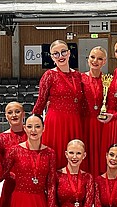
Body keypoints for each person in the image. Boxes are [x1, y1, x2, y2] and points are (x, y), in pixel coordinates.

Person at [32, 39, 83, 168]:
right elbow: (41, 101)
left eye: (63, 52)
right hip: (56, 122)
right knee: (57, 154)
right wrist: (33, 122)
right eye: (56, 53)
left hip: (74, 121)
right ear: (52, 57)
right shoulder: (49, 75)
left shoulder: (78, 76)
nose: (60, 56)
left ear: (69, 53)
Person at [52, 139, 95, 207]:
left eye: (78, 153)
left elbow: (88, 203)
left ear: (84, 155)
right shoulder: (57, 175)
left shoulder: (88, 177)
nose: (74, 157)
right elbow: (53, 202)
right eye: (71, 153)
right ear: (66, 154)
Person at [0, 102, 27, 207]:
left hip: (29, 184)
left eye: (17, 112)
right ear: (6, 116)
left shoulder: (31, 134)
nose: (14, 115)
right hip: (11, 185)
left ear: (23, 114)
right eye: (10, 112)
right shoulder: (1, 138)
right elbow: (0, 163)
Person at [81, 46, 107, 177]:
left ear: (104, 62)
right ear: (88, 59)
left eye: (99, 58)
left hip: (103, 125)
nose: (95, 61)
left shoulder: (108, 80)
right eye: (92, 57)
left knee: (101, 154)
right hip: (84, 123)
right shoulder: (80, 78)